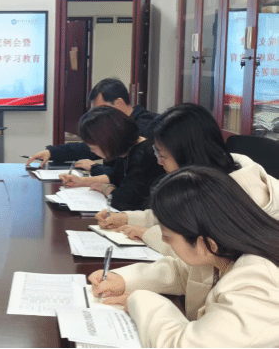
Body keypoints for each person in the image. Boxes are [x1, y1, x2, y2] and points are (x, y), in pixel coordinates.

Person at [89, 166, 279, 347]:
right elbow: (186, 272)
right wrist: (124, 280)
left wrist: (138, 301)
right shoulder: (226, 249)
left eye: (167, 236)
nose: (163, 239)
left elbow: (182, 345)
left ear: (206, 244)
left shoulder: (258, 286)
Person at [95, 103, 279, 254]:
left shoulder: (233, 194)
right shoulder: (208, 177)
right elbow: (174, 216)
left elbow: (206, 254)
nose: (159, 162)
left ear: (187, 155)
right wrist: (126, 218)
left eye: (163, 156)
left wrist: (147, 234)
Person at [26, 78, 157, 183]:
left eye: (102, 109)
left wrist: (95, 168)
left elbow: (123, 176)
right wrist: (52, 152)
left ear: (118, 104)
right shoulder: (120, 126)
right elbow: (88, 148)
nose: (99, 115)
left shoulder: (144, 129)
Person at [60, 106, 164, 211]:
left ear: (107, 141)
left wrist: (107, 189)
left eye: (92, 147)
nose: (92, 151)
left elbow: (127, 201)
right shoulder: (127, 150)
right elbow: (116, 176)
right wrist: (81, 181)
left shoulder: (144, 155)